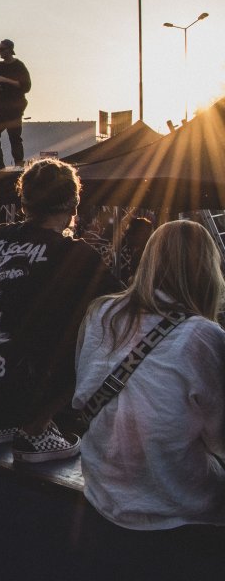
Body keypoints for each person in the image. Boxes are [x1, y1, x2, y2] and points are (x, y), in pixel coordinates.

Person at [0, 158, 120, 462]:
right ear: (73, 206)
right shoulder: (74, 254)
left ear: (24, 203)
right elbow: (124, 307)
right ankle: (36, 429)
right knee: (105, 330)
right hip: (12, 392)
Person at [70, 219, 225, 572]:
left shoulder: (102, 313)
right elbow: (220, 440)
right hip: (176, 513)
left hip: (103, 499)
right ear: (207, 271)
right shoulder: (203, 336)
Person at [0, 38, 32, 171]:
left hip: (15, 108)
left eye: (2, 49)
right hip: (1, 108)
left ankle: (19, 164)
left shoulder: (19, 66)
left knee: (14, 136)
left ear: (10, 50)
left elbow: (26, 86)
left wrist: (6, 80)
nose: (0, 52)